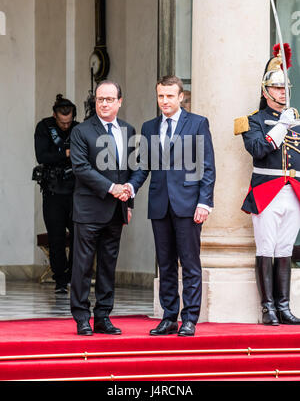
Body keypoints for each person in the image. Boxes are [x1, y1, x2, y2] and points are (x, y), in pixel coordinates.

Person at [125, 75, 216, 336]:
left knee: (189, 263)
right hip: (160, 204)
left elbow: (207, 166)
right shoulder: (150, 127)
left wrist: (205, 202)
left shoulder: (197, 123)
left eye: (169, 96)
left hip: (188, 204)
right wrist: (131, 188)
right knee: (165, 264)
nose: (164, 101)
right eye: (160, 96)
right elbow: (143, 165)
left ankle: (189, 318)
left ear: (181, 97)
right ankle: (168, 317)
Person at [235, 43, 300, 325]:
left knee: (285, 249)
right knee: (266, 248)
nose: (282, 93)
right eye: (277, 88)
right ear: (266, 90)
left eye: (285, 88)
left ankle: (284, 306)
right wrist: (282, 126)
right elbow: (258, 149)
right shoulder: (252, 121)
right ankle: (268, 308)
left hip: (294, 192)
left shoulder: (296, 121)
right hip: (267, 191)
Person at [70, 80, 136, 336]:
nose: (105, 103)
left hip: (116, 211)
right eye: (100, 99)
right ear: (95, 102)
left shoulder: (129, 131)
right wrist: (112, 188)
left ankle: (103, 316)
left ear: (120, 101)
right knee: (83, 265)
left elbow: (130, 169)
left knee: (108, 265)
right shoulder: (81, 131)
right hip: (88, 210)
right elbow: (81, 168)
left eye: (110, 99)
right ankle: (82, 317)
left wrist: (128, 200)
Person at [34, 94, 78, 294]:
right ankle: (60, 279)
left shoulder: (78, 129)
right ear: (54, 115)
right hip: (53, 190)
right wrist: (66, 154)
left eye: (68, 122)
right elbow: (42, 156)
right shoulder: (44, 127)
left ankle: (72, 276)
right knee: (56, 237)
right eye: (62, 122)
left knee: (80, 235)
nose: (65, 126)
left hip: (76, 190)